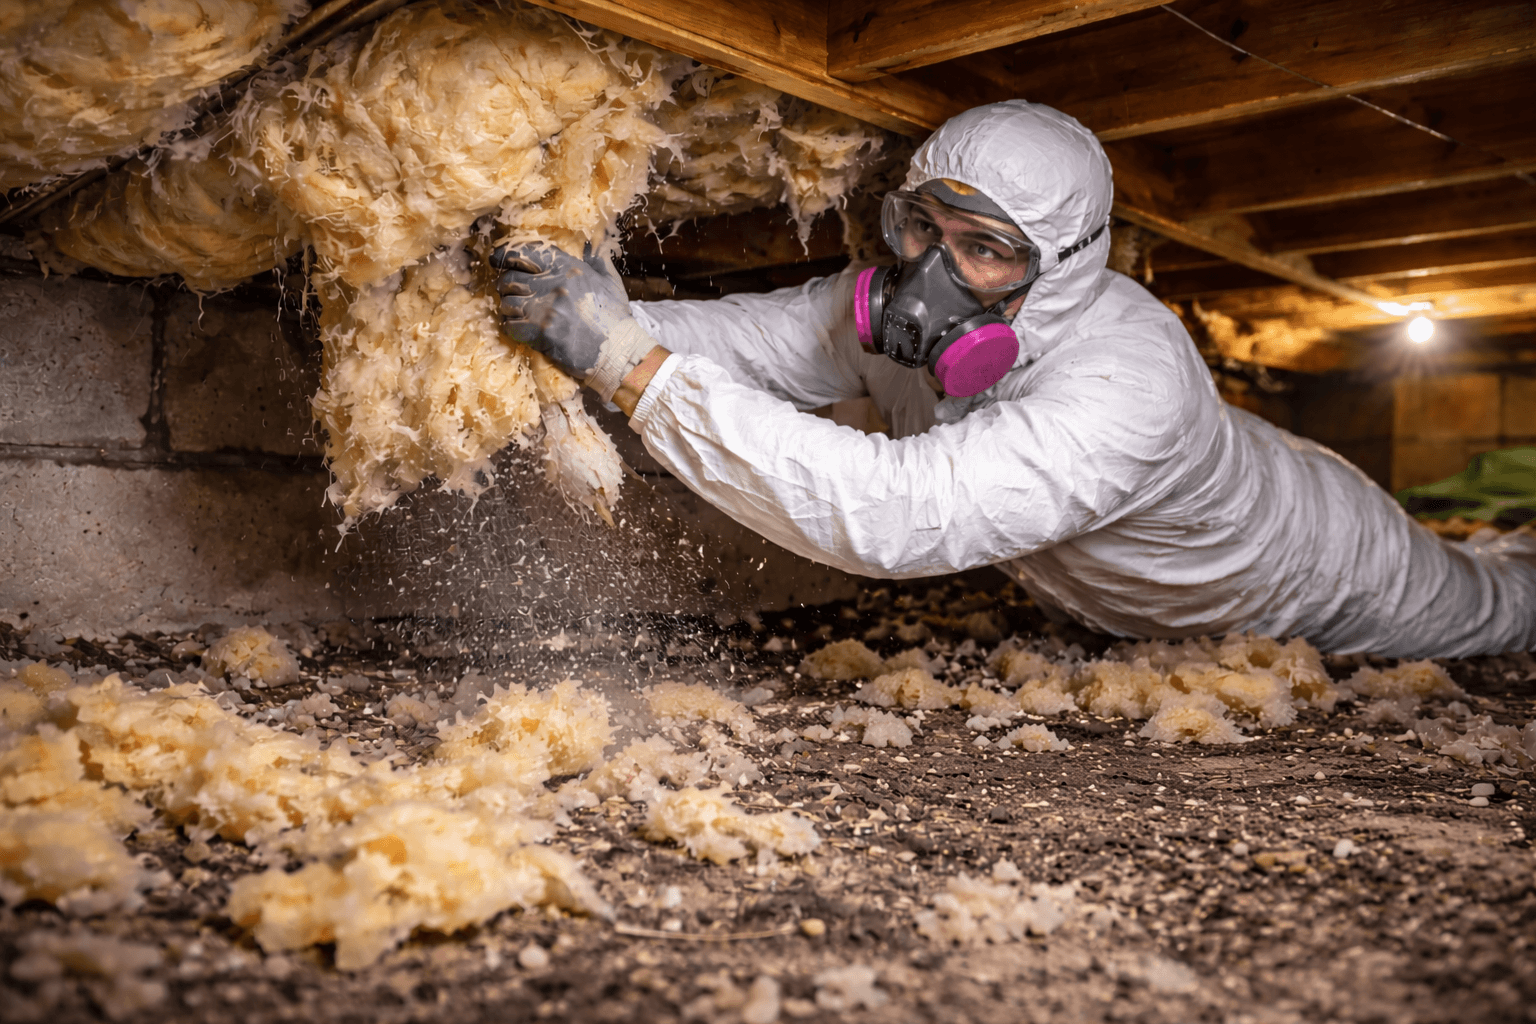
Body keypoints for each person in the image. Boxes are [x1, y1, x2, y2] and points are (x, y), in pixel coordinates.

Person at [494, 100, 1536, 659]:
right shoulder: (888, 308)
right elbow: (735, 343)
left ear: (1064, 266)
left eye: (986, 250)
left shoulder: (1131, 379)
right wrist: (572, 314)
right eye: (923, 228)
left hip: (1316, 565)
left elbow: (893, 514)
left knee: (1500, 604)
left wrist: (624, 363)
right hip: (1141, 595)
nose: (931, 276)